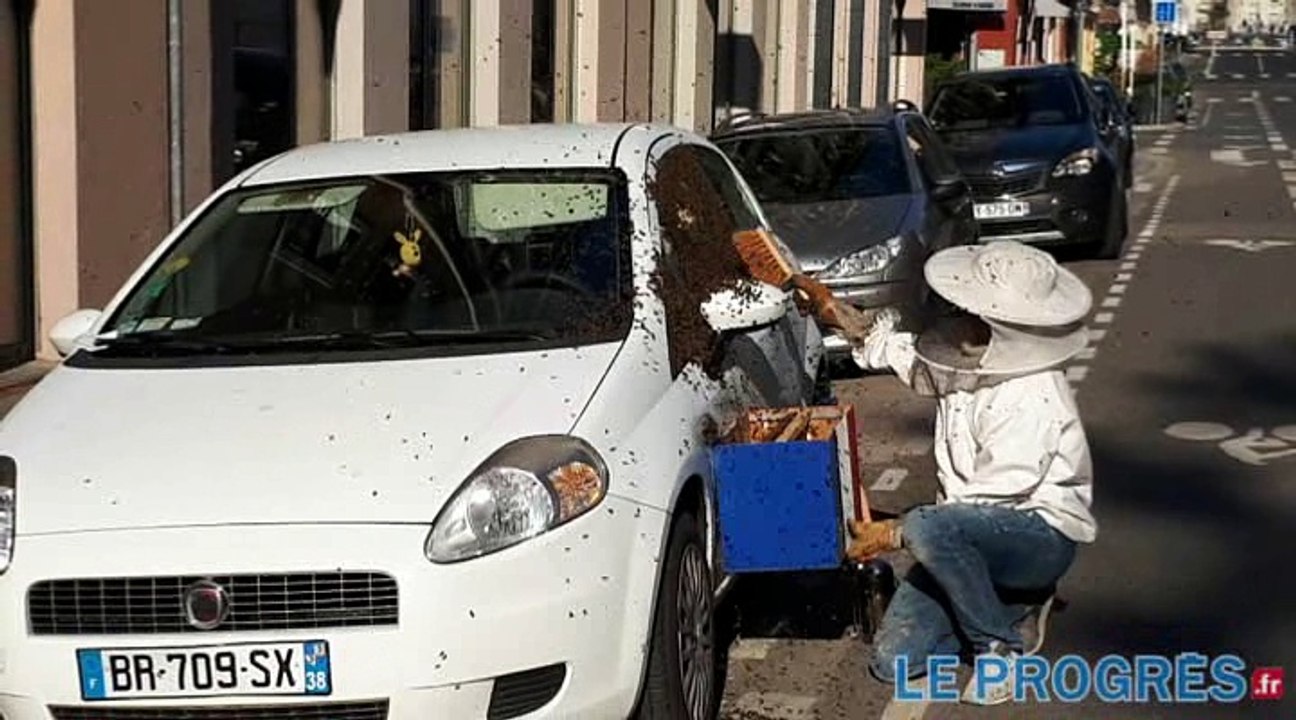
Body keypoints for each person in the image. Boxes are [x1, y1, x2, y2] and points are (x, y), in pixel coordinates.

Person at [829, 240, 1098, 705]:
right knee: (893, 661)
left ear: (1004, 324)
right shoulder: (965, 357)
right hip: (963, 534)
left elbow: (992, 498)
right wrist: (851, 324)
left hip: (1037, 536)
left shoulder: (1031, 394)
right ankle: (1011, 605)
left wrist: (898, 532)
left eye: (974, 310)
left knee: (929, 525)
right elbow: (913, 362)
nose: (958, 314)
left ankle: (998, 650)